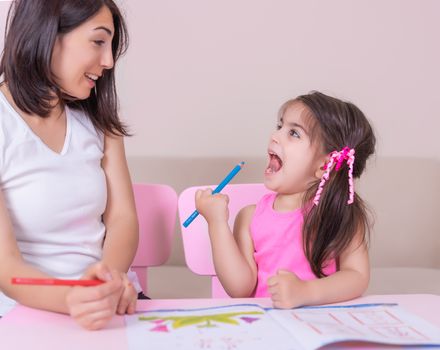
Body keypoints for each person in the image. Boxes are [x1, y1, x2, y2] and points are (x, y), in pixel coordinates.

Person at [0, 0, 141, 330]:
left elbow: (123, 218)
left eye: (111, 46)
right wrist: (74, 298)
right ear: (47, 35)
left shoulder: (97, 120)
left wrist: (106, 282)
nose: (108, 61)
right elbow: (5, 267)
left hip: (105, 304)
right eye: (97, 41)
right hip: (23, 313)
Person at [196, 91, 376, 308]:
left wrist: (305, 291)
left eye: (294, 133)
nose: (275, 135)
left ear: (323, 166)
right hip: (266, 327)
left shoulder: (341, 215)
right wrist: (216, 222)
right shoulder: (249, 217)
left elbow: (357, 276)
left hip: (321, 325)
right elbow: (239, 288)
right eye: (279, 126)